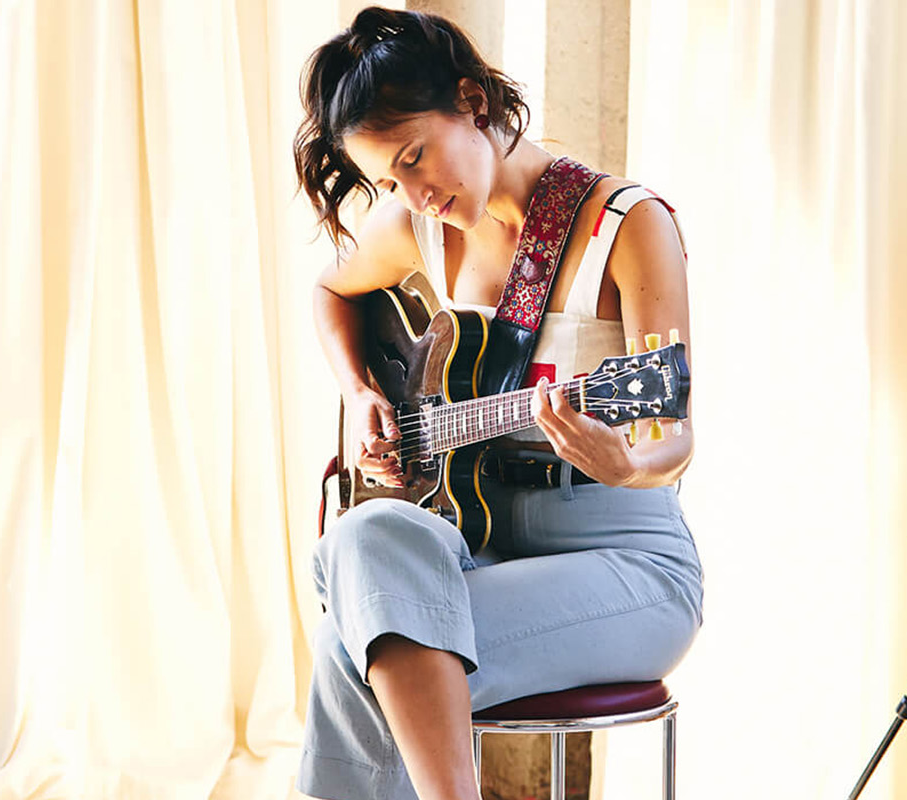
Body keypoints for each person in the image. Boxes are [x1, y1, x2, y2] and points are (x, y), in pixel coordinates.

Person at [291, 7, 702, 800]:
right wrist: (360, 389)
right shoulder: (417, 227)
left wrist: (629, 459)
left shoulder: (628, 226)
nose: (415, 192)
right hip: (474, 549)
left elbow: (675, 432)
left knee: (360, 642)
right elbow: (331, 289)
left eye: (415, 156)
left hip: (626, 566)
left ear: (473, 102)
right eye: (390, 179)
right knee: (368, 534)